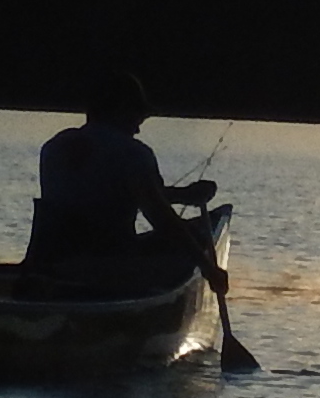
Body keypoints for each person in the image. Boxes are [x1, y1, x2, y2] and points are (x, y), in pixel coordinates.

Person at [30, 72, 218, 275]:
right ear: (122, 110)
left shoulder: (55, 145)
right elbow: (160, 218)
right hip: (108, 264)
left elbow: (104, 191)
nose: (138, 127)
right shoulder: (133, 152)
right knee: (195, 235)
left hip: (47, 260)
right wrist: (208, 268)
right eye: (138, 114)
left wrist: (183, 195)